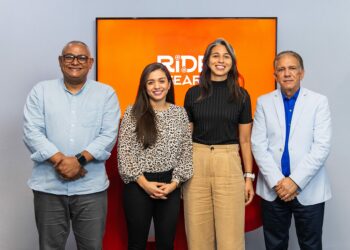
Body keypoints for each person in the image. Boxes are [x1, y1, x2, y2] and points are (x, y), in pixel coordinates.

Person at [23, 41, 121, 250]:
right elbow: (32, 132)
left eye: (81, 58)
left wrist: (78, 161)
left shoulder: (106, 94)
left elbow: (108, 135)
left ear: (90, 62)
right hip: (48, 188)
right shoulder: (41, 91)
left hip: (90, 189)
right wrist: (61, 160)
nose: (75, 62)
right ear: (61, 61)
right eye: (69, 57)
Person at [251, 51, 332, 250]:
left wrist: (294, 182)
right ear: (275, 75)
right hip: (273, 189)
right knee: (275, 245)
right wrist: (279, 183)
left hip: (309, 188)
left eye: (292, 68)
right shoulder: (264, 102)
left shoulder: (318, 102)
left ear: (302, 73)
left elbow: (322, 146)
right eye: (281, 69)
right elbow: (258, 145)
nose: (287, 73)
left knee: (311, 245)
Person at [183, 38, 255, 250]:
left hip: (229, 162)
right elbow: (186, 139)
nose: (220, 60)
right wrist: (181, 173)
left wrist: (248, 177)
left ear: (232, 62)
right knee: (197, 238)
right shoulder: (192, 94)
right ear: (207, 61)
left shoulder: (241, 96)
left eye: (226, 56)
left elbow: (245, 140)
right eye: (215, 56)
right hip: (197, 162)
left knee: (231, 239)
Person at [117, 62, 193, 250]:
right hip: (138, 184)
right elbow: (125, 153)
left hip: (170, 185)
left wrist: (174, 184)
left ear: (169, 84)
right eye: (150, 82)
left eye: (161, 81)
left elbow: (186, 152)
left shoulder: (180, 113)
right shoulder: (132, 112)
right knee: (136, 243)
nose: (156, 86)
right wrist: (145, 184)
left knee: (166, 243)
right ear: (144, 86)